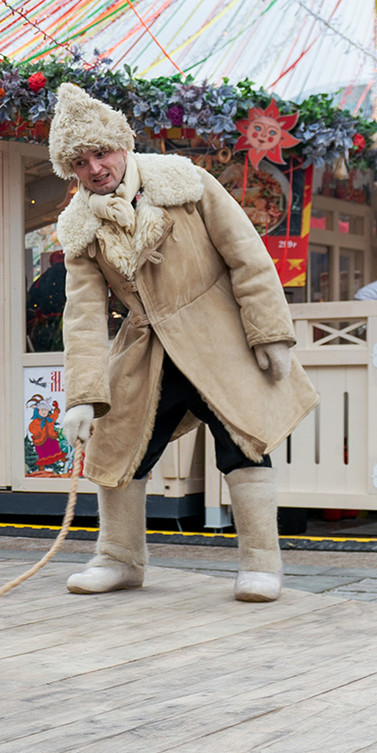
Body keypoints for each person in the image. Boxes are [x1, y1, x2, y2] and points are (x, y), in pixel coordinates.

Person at [50, 84, 317, 603]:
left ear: (122, 145)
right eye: (80, 162)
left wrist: (270, 333)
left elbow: (246, 255)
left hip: (219, 338)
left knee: (243, 441)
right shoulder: (78, 226)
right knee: (116, 445)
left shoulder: (186, 182)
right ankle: (119, 558)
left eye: (101, 152)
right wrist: (83, 394)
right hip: (148, 346)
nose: (95, 168)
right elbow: (81, 315)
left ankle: (261, 564)